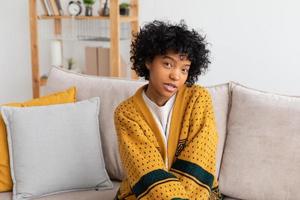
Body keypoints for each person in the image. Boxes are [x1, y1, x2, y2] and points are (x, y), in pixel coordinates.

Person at [114, 20, 222, 200]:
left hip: (197, 193)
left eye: (184, 69)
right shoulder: (126, 113)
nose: (175, 76)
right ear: (148, 61)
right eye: (168, 64)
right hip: (145, 193)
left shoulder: (198, 99)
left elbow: (202, 153)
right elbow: (143, 167)